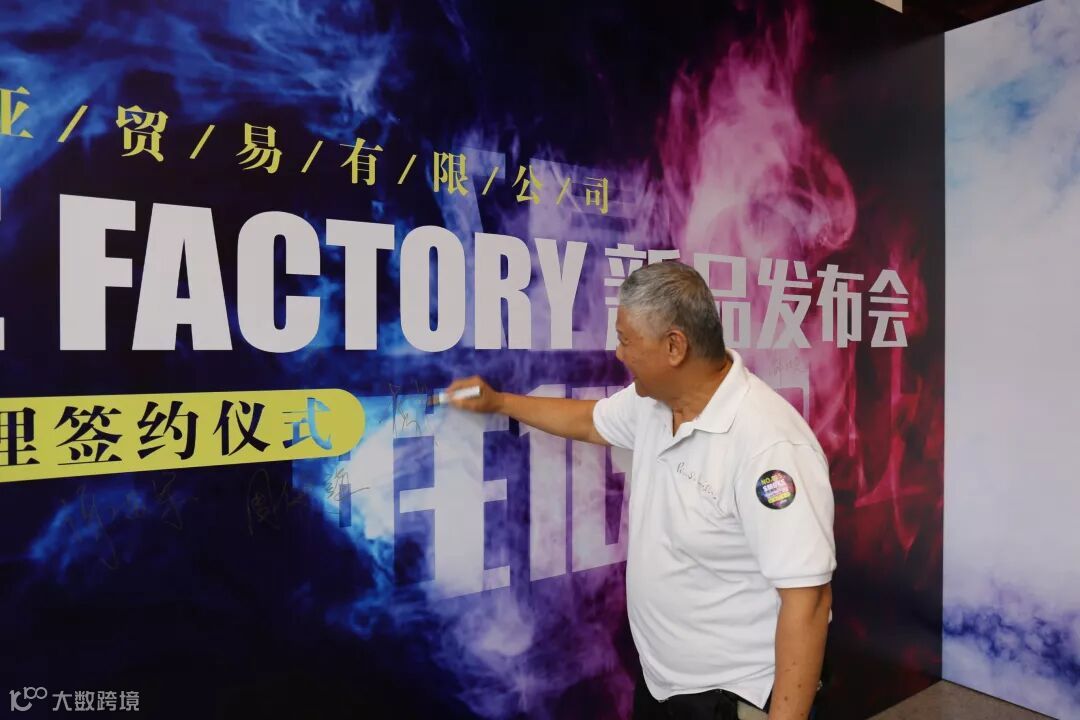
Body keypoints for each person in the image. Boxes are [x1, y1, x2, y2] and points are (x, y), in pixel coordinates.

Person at [447, 261, 835, 720]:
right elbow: (590, 421)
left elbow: (808, 601)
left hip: (735, 697)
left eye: (626, 340)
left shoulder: (768, 447)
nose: (618, 352)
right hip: (662, 686)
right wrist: (499, 402)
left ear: (674, 346)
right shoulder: (654, 403)